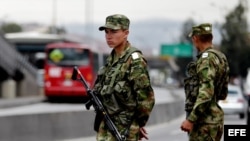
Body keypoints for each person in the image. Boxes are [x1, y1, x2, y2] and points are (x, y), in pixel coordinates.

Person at [93, 14, 155, 141]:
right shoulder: (111, 59)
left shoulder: (134, 59)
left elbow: (146, 98)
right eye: (106, 32)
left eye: (114, 31)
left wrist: (137, 124)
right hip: (106, 123)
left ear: (126, 33)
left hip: (125, 127)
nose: (108, 36)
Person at [180, 23, 230, 141]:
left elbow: (206, 92)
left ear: (195, 39)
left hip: (204, 123)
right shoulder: (221, 57)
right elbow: (223, 94)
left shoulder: (206, 60)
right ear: (211, 38)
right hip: (216, 120)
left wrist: (191, 119)